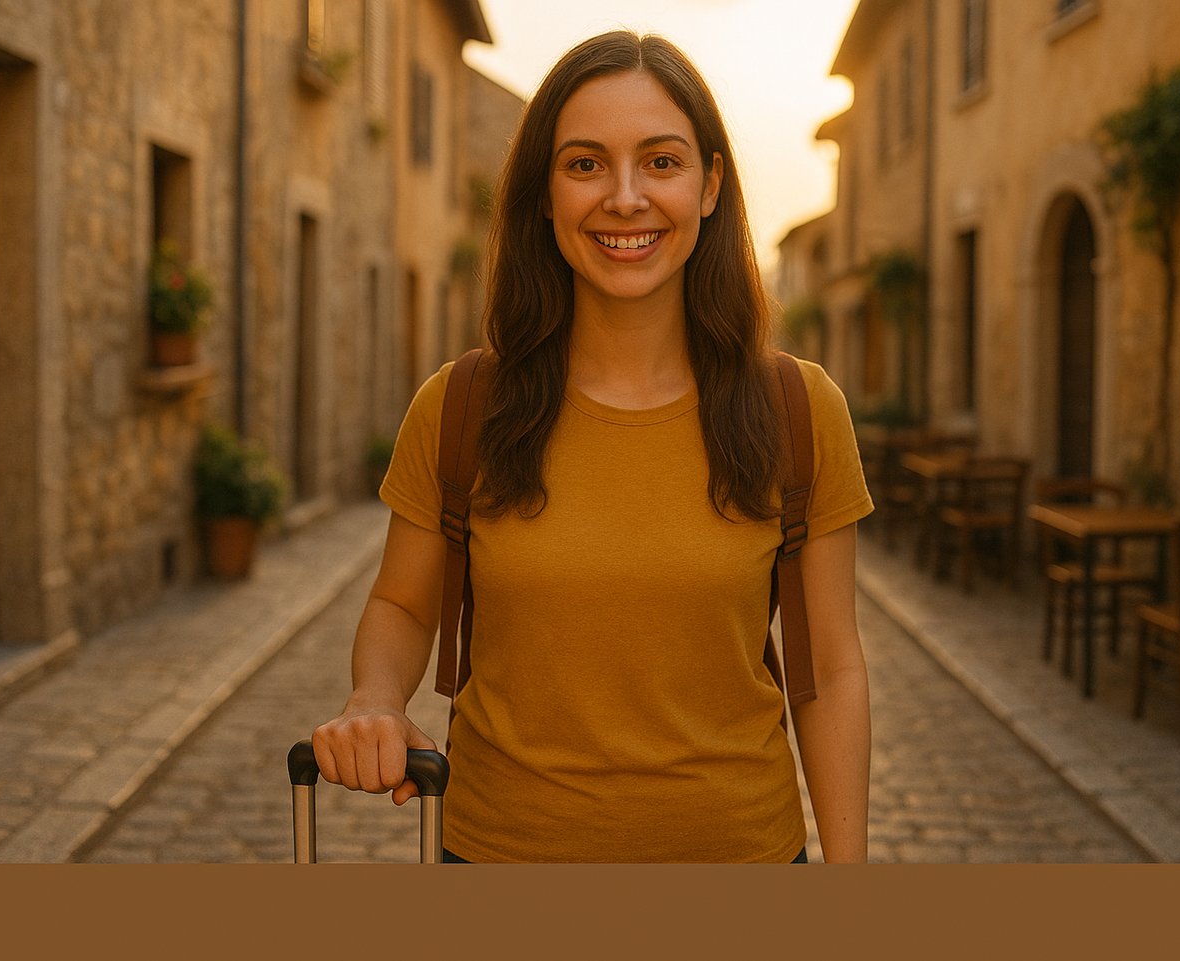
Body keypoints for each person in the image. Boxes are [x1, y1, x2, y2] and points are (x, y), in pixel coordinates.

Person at [312, 30, 873, 863]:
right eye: (584, 164)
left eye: (661, 162)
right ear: (544, 194)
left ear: (710, 184)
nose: (624, 197)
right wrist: (375, 694)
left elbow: (830, 668)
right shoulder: (462, 406)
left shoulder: (798, 408)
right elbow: (401, 604)